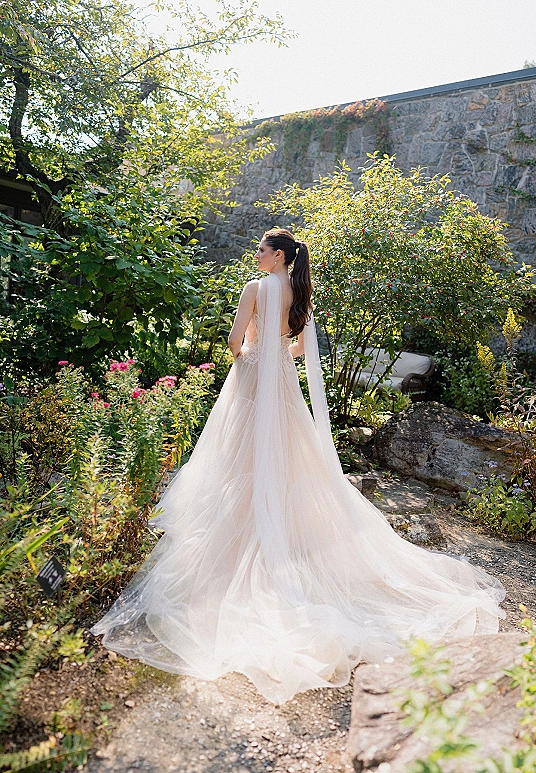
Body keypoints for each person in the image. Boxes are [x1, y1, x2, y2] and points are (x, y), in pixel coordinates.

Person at [90, 227, 505, 704]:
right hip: (283, 382)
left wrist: (248, 355)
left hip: (250, 380)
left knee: (240, 454)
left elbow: (232, 340)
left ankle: (242, 532)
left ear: (279, 254)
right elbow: (303, 349)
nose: (257, 253)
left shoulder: (255, 287)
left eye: (263, 248)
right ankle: (283, 530)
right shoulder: (299, 289)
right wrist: (275, 354)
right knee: (285, 456)